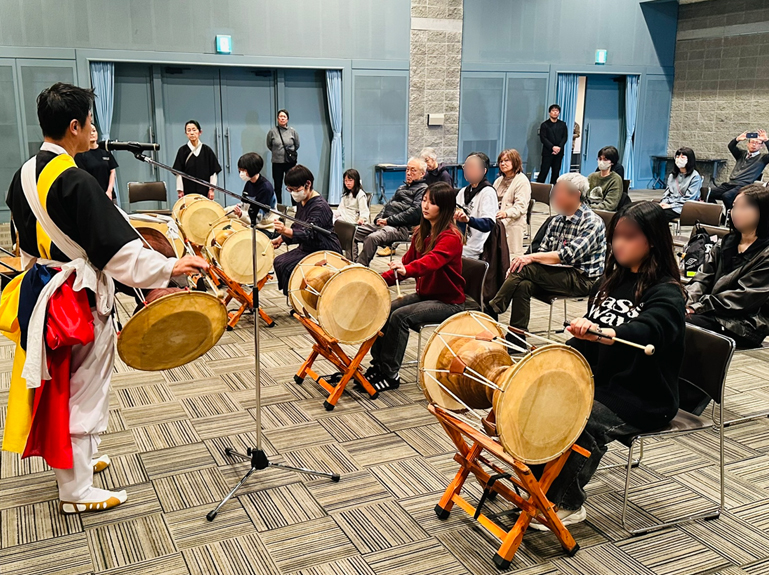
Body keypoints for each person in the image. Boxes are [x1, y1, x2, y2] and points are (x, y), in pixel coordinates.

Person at [1, 83, 208, 515]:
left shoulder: (22, 175)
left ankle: (78, 463)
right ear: (74, 127)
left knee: (64, 384)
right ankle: (74, 489)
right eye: (90, 122)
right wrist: (170, 268)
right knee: (83, 388)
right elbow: (119, 254)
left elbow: (23, 243)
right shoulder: (74, 178)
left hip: (42, 289)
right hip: (76, 297)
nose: (92, 130)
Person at [529, 201, 686, 530]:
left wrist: (611, 334)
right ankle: (537, 483)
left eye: (629, 237)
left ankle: (568, 502)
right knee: (541, 396)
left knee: (582, 421)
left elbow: (651, 328)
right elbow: (587, 340)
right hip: (605, 383)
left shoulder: (667, 292)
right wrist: (551, 357)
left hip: (645, 396)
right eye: (617, 236)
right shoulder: (612, 283)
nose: (618, 244)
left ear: (652, 241)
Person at [366, 182, 466, 391]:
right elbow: (406, 262)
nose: (425, 205)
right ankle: (378, 365)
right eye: (424, 200)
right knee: (386, 309)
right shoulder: (422, 231)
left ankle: (391, 374)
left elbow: (430, 262)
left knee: (399, 317)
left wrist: (407, 270)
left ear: (445, 207)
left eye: (432, 202)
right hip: (427, 295)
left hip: (449, 302)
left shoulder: (451, 237)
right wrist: (377, 280)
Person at [488, 173, 606, 345]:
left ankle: (494, 308)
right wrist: (531, 258)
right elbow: (544, 250)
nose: (555, 196)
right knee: (523, 284)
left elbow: (568, 255)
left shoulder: (592, 222)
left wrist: (529, 258)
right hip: (560, 273)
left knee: (526, 266)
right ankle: (517, 338)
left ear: (575, 194)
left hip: (583, 278)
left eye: (560, 192)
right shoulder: (557, 220)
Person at [687, 184, 769, 349]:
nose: (735, 212)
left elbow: (743, 298)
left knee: (680, 326)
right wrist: (687, 302)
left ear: (763, 212)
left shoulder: (765, 254)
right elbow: (702, 279)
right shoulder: (725, 243)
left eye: (744, 207)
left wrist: (698, 307)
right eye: (734, 206)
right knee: (666, 316)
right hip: (711, 311)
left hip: (743, 324)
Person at [272, 165, 341, 294]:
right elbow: (298, 226)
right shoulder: (302, 201)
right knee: (279, 262)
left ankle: (302, 300)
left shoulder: (319, 206)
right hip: (309, 247)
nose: (293, 193)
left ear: (308, 184)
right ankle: (297, 299)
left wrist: (284, 231)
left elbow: (308, 232)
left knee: (289, 267)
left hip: (323, 249)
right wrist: (281, 238)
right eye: (289, 189)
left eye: (295, 189)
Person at [354, 157, 428, 265]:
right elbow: (387, 205)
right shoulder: (401, 188)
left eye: (413, 170)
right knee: (352, 233)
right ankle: (351, 263)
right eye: (407, 169)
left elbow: (415, 212)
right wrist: (378, 219)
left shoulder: (423, 189)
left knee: (372, 238)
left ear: (422, 174)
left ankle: (359, 268)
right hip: (386, 223)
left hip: (401, 228)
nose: (408, 173)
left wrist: (389, 221)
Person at [707, 130, 769, 210]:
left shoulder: (763, 158)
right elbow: (731, 146)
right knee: (707, 193)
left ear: (761, 146)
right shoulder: (741, 154)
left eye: (757, 143)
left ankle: (732, 217)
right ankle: (720, 216)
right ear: (748, 144)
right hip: (730, 184)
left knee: (727, 196)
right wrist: (738, 139)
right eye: (752, 142)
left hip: (744, 186)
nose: (754, 144)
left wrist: (766, 140)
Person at [455, 152, 497, 259]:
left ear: (484, 171)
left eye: (472, 166)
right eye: (466, 166)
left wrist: (468, 220)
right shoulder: (463, 192)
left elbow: (488, 223)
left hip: (475, 247)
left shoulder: (487, 192)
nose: (467, 170)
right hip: (461, 243)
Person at [494, 149, 531, 258]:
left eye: (506, 160)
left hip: (513, 222)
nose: (503, 163)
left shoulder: (522, 181)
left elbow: (521, 207)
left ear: (515, 162)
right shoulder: (499, 180)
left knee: (509, 257)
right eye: (501, 161)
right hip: (497, 220)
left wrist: (506, 213)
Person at [232, 152, 278, 238]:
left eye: (243, 170)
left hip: (265, 227)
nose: (241, 173)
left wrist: (241, 215)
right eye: (240, 170)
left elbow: (258, 218)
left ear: (252, 170)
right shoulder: (249, 183)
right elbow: (243, 205)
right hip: (250, 222)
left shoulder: (265, 188)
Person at [172, 120, 221, 200]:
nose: (191, 133)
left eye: (194, 130)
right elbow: (178, 173)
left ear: (200, 132)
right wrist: (180, 191)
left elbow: (213, 172)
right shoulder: (182, 151)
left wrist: (211, 189)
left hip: (204, 190)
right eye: (189, 130)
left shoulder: (207, 150)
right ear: (186, 133)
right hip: (188, 190)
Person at [74, 125, 117, 201]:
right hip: (92, 196)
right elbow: (84, 178)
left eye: (94, 131)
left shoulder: (105, 152)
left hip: (109, 195)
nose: (92, 134)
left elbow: (112, 171)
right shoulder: (80, 155)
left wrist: (109, 191)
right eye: (89, 131)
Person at [659, 147, 702, 223]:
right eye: (678, 156)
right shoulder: (672, 176)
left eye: (683, 157)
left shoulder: (695, 177)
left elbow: (689, 199)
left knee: (660, 216)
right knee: (650, 212)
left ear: (689, 160)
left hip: (683, 207)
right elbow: (667, 193)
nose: (679, 159)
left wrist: (671, 206)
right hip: (669, 205)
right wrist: (664, 203)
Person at [266, 109, 300, 204]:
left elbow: (297, 145)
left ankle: (295, 206)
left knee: (293, 184)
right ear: (277, 119)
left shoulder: (293, 132)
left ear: (287, 119)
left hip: (290, 163)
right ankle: (279, 206)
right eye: (280, 116)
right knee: (278, 186)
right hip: (277, 163)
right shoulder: (272, 132)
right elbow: (269, 145)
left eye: (284, 116)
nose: (282, 118)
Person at [536, 104, 568, 184]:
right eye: (553, 111)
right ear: (549, 113)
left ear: (559, 113)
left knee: (556, 173)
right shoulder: (544, 125)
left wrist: (559, 147)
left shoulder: (563, 124)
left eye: (557, 111)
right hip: (548, 152)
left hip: (559, 153)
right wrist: (552, 147)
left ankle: (553, 192)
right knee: (543, 172)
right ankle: (538, 191)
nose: (555, 113)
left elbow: (565, 137)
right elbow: (543, 138)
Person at [587, 146, 625, 211]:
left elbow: (610, 205)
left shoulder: (615, 180)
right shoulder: (591, 176)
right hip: (589, 211)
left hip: (605, 214)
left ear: (612, 162)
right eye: (600, 159)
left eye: (605, 159)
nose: (601, 162)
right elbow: (584, 197)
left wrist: (589, 208)